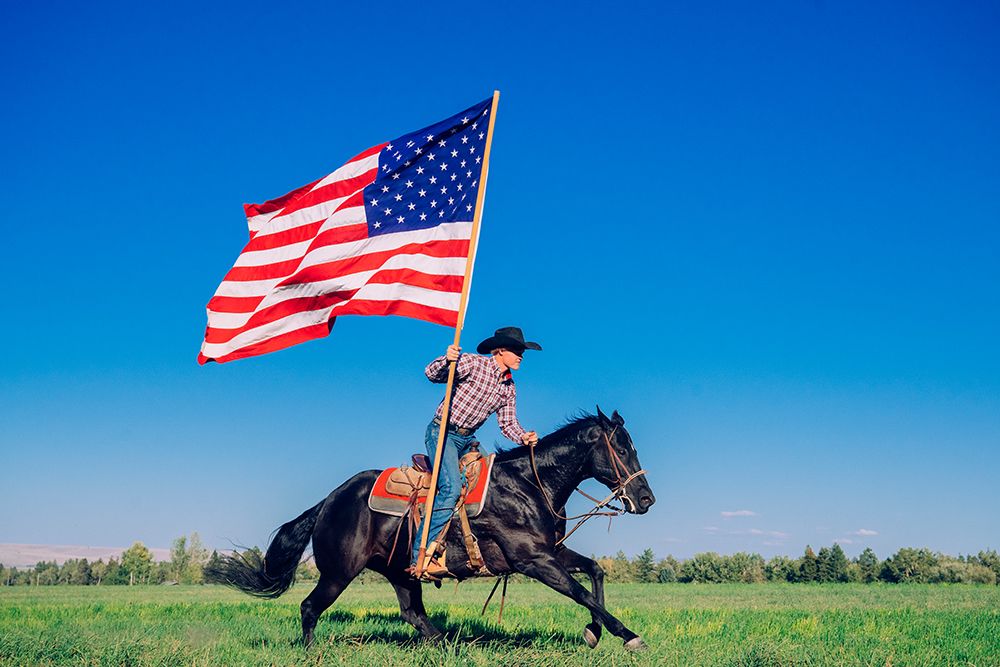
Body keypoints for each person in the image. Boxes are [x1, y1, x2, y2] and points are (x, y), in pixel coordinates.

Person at [408, 326, 542, 577]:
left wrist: (523, 436)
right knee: (451, 488)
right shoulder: (471, 363)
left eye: (522, 352)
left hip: (467, 439)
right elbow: (431, 374)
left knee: (493, 483)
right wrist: (445, 360)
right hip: (443, 433)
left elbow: (508, 423)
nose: (521, 356)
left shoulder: (509, 387)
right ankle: (420, 556)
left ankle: (472, 548)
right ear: (500, 350)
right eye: (516, 351)